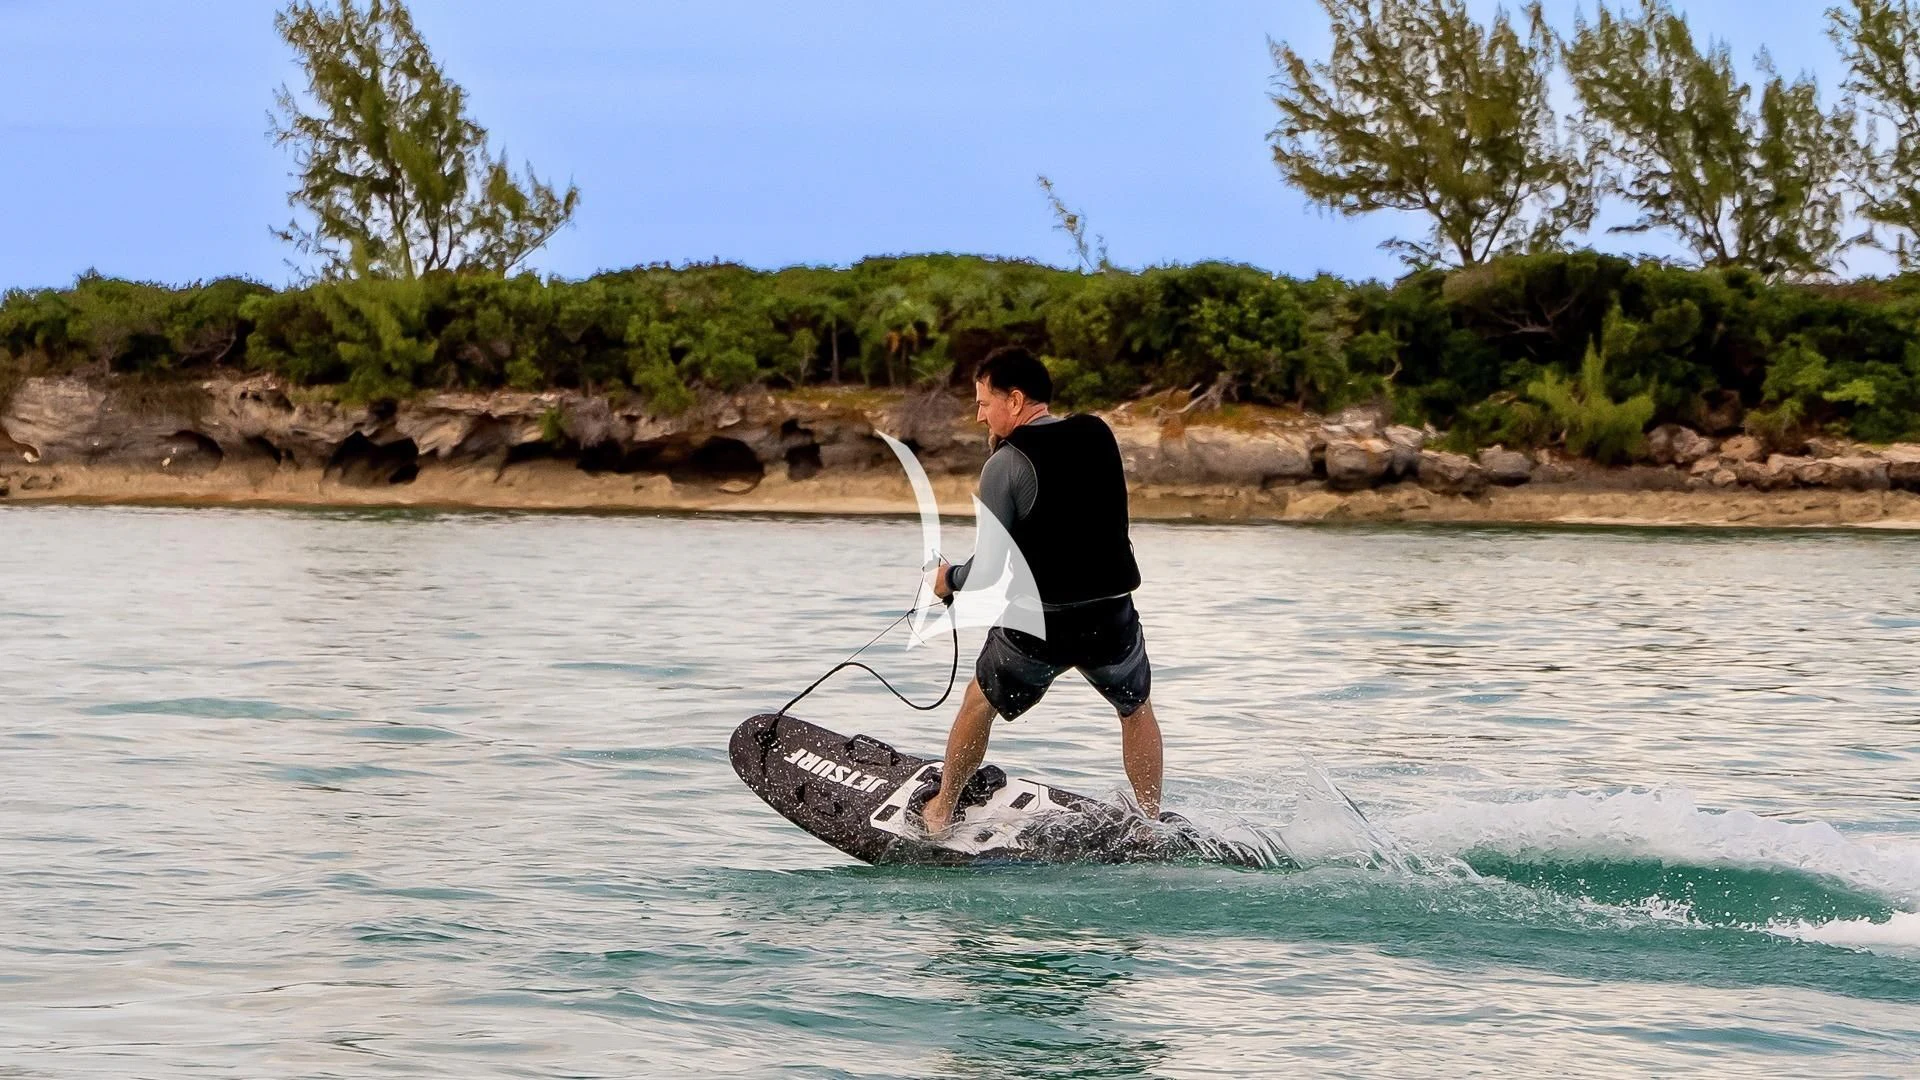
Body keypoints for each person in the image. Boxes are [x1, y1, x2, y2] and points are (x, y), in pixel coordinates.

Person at [919, 345, 1162, 834]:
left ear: (1014, 399)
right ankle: (1153, 822)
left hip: (1042, 621)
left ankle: (942, 810)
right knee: (1135, 709)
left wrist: (948, 581)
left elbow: (988, 569)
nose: (979, 414)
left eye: (984, 403)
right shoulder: (1098, 432)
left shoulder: (1004, 466)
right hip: (1111, 613)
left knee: (977, 703)